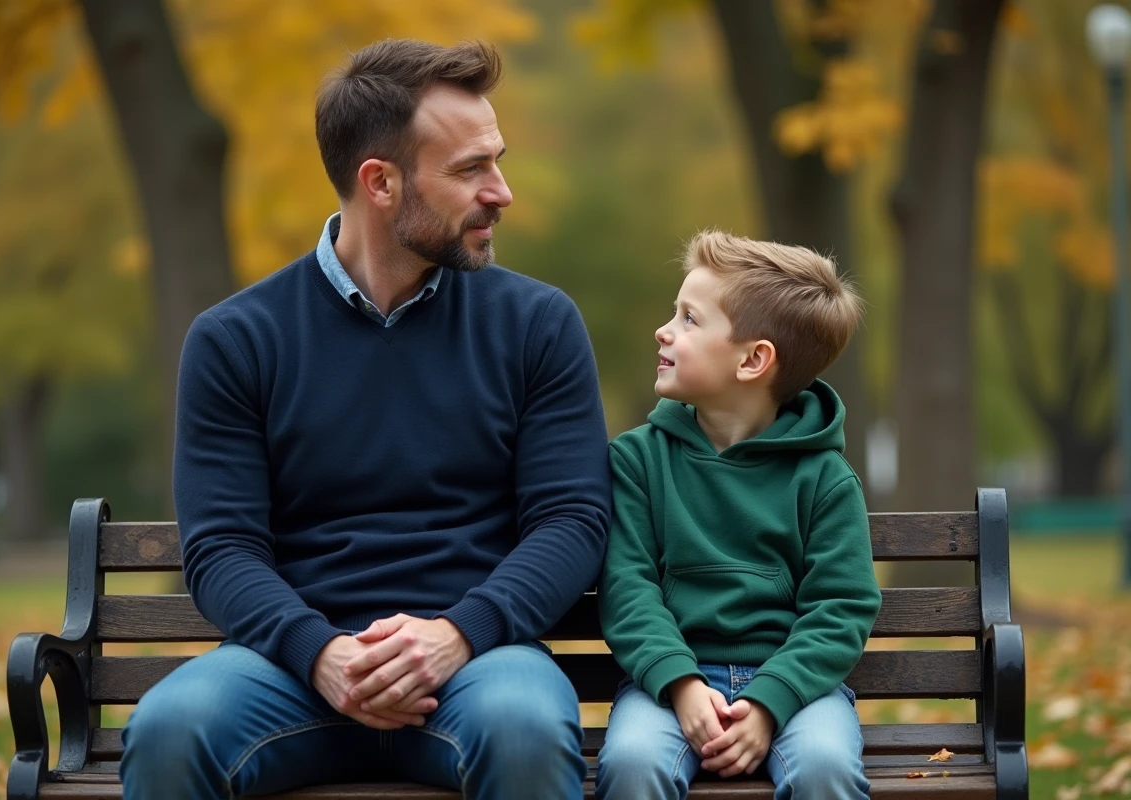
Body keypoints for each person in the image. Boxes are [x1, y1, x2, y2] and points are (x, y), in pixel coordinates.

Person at [119, 39, 611, 800]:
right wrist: (322, 654)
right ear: (379, 183)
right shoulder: (236, 339)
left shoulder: (537, 324)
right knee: (169, 728)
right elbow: (221, 548)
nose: (501, 192)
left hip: (480, 664)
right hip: (289, 670)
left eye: (498, 160)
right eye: (470, 169)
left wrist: (457, 636)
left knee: (524, 727)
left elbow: (573, 519)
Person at [595, 231, 882, 799]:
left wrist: (770, 702)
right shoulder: (638, 461)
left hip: (796, 692)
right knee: (631, 764)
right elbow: (627, 587)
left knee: (825, 768)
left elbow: (841, 607)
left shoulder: (824, 479)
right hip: (668, 685)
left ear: (753, 360)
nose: (664, 329)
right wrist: (680, 684)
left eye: (689, 319)